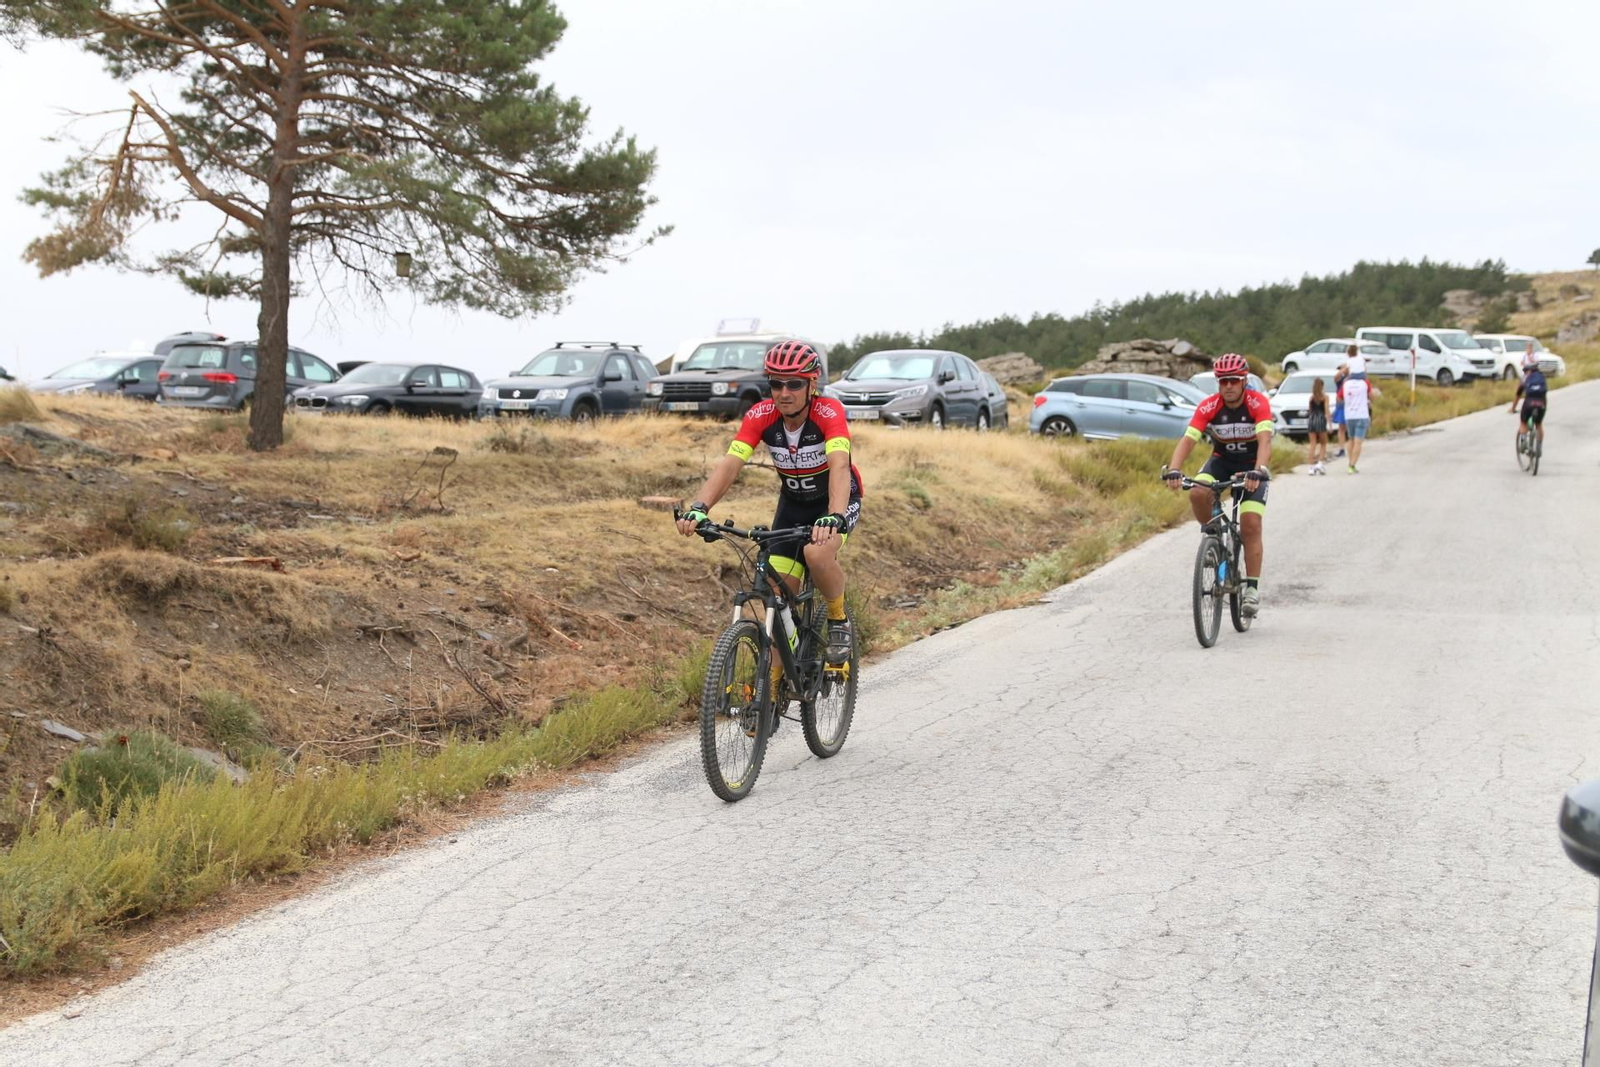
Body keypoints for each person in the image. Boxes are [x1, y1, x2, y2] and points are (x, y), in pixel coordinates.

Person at [676, 341, 862, 668]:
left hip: (836, 500)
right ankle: (770, 699)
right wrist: (700, 507)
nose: (784, 392)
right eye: (776, 383)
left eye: (794, 383)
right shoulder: (760, 415)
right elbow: (731, 464)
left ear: (812, 385)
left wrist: (834, 515)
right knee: (777, 604)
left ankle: (838, 621)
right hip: (793, 504)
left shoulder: (828, 413)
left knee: (816, 553)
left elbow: (839, 466)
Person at [1161, 353, 1273, 617]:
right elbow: (1189, 439)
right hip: (1221, 461)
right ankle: (1213, 535)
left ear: (1244, 381)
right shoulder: (1209, 406)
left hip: (1251, 466)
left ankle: (1252, 591)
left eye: (1234, 381)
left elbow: (1265, 441)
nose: (1229, 386)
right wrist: (1175, 469)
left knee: (1250, 524)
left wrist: (1258, 471)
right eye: (1223, 382)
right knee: (1199, 491)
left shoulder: (1258, 403)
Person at [1510, 343, 1548, 449]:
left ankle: (1523, 441)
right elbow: (1544, 394)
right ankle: (1539, 446)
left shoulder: (1525, 378)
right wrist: (1544, 407)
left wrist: (1513, 408)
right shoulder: (1541, 378)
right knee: (1539, 424)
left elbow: (1518, 395)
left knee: (1523, 422)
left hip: (1529, 403)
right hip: (1541, 403)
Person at [1339, 368, 1372, 473]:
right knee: (1358, 441)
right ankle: (1352, 465)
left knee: (1351, 439)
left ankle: (1350, 462)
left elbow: (1339, 397)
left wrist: (1347, 402)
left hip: (1350, 415)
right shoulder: (1365, 382)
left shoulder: (1346, 384)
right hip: (1361, 414)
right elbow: (1372, 396)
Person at [1306, 375, 1329, 475]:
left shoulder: (1311, 398)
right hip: (1320, 419)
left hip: (1311, 419)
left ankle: (1311, 467)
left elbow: (1310, 410)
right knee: (1323, 443)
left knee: (1313, 444)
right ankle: (1320, 463)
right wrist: (1330, 424)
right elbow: (1326, 411)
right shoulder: (1325, 397)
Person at [1331, 364, 1348, 458]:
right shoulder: (1340, 379)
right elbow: (1336, 377)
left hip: (1351, 405)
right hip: (1341, 405)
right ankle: (1341, 448)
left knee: (1350, 427)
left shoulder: (1353, 378)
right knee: (1341, 428)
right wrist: (1344, 368)